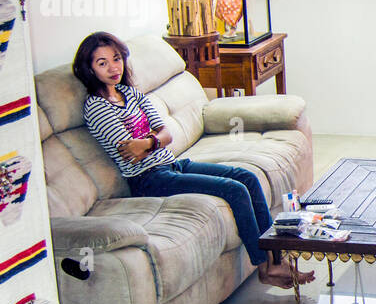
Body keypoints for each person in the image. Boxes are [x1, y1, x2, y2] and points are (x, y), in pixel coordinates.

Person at [73, 31, 311, 288]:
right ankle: (265, 266)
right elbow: (131, 153)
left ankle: (275, 259)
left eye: (116, 59)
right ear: (89, 69)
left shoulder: (131, 94)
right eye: (102, 63)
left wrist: (149, 142)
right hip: (148, 179)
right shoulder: (96, 107)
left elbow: (167, 134)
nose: (113, 67)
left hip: (172, 164)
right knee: (234, 189)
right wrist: (152, 141)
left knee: (247, 177)